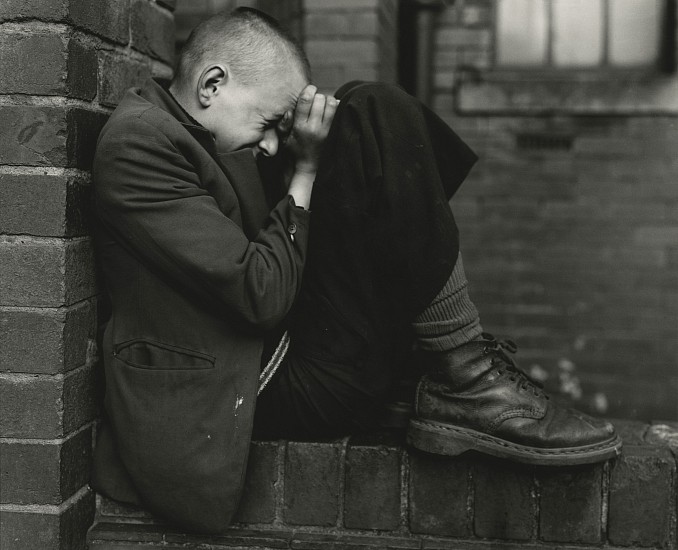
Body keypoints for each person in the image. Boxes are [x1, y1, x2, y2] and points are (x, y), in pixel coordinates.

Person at [91, 8, 621, 534]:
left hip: (291, 346)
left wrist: (321, 154)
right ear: (212, 84)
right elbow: (259, 292)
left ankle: (459, 368)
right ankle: (467, 378)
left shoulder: (206, 131)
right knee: (373, 110)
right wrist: (303, 171)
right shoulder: (140, 144)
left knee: (366, 108)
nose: (274, 142)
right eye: (271, 123)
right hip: (254, 387)